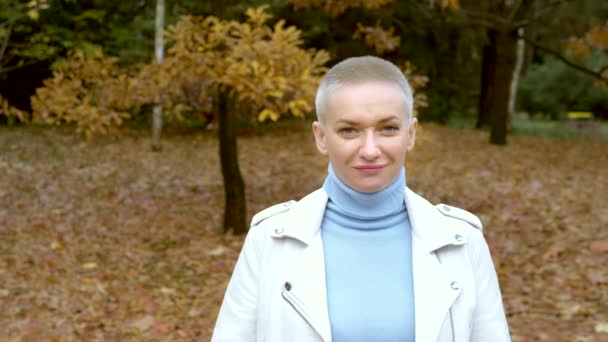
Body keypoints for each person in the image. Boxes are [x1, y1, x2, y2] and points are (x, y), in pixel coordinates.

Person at [211, 56, 511, 342]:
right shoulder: (270, 240)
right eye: (349, 130)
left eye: (388, 128)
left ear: (411, 133)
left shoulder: (461, 242)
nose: (370, 150)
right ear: (321, 137)